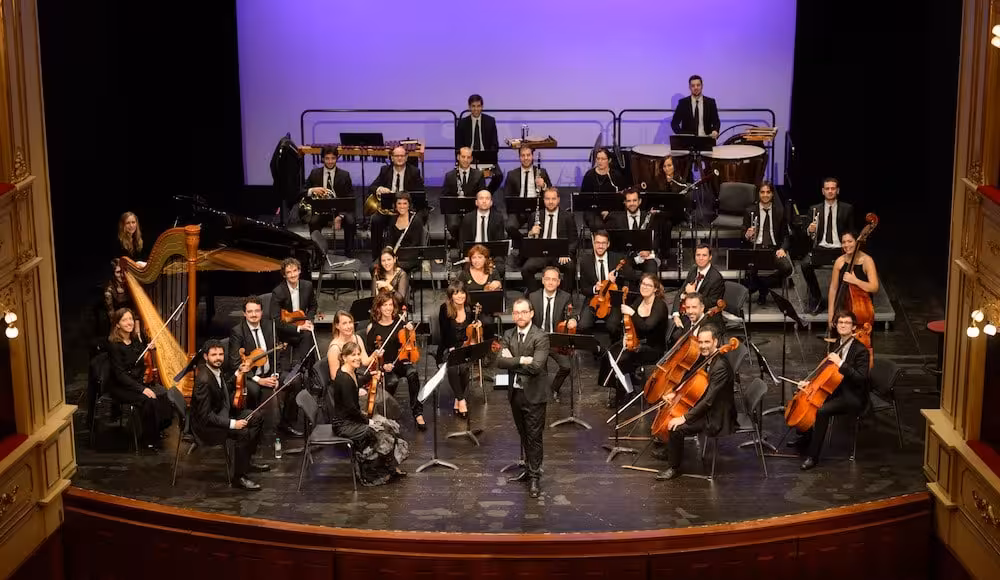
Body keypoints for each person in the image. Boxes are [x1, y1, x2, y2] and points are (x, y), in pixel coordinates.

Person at [654, 324, 737, 480]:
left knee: (675, 427)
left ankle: (674, 468)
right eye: (700, 342)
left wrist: (684, 417)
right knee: (675, 419)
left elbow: (708, 401)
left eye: (707, 342)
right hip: (710, 409)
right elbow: (699, 386)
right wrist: (676, 393)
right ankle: (671, 453)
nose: (703, 346)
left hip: (717, 417)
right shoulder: (710, 359)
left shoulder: (720, 366)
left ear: (716, 342)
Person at [791, 311, 870, 470]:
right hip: (835, 388)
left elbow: (860, 378)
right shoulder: (837, 343)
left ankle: (813, 456)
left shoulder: (861, 351)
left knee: (821, 411)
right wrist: (809, 382)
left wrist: (841, 363)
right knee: (807, 397)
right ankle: (807, 437)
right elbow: (825, 370)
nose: (842, 325)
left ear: (854, 327)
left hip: (851, 395)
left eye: (847, 323)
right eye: (840, 322)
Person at [326, 341, 409, 486]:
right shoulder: (343, 378)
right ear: (344, 357)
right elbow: (351, 409)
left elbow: (357, 383)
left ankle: (389, 468)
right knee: (380, 433)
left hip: (352, 418)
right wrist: (367, 421)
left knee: (389, 426)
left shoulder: (349, 371)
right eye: (353, 355)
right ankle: (372, 473)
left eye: (359, 354)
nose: (358, 358)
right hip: (345, 425)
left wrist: (370, 376)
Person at [191, 339, 268, 490]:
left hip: (222, 416)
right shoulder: (204, 380)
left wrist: (238, 372)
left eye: (220, 354)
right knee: (242, 432)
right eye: (214, 355)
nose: (218, 357)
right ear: (206, 357)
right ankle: (239, 477)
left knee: (256, 417)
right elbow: (206, 416)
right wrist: (233, 424)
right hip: (207, 428)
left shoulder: (215, 370)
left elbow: (224, 385)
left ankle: (246, 461)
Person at [496, 297, 551, 498]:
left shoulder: (541, 336)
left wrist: (512, 360)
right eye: (516, 312)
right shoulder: (509, 334)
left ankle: (535, 476)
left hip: (534, 395)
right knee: (523, 434)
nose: (520, 316)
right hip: (516, 393)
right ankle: (529, 469)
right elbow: (500, 361)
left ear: (531, 313)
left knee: (534, 437)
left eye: (523, 312)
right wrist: (520, 359)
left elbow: (537, 366)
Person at [106, 307, 171, 449]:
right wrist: (142, 389)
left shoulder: (135, 340)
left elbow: (140, 360)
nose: (129, 322)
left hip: (135, 382)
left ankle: (156, 430)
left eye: (130, 319)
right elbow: (120, 375)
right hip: (120, 386)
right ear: (117, 324)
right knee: (148, 400)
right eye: (124, 320)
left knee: (163, 395)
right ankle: (148, 439)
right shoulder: (114, 345)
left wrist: (149, 348)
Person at [599, 273, 669, 405]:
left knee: (622, 359)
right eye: (643, 284)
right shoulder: (638, 300)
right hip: (636, 342)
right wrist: (627, 335)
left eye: (649, 285)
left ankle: (624, 394)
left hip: (652, 347)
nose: (645, 287)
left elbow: (647, 327)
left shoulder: (659, 306)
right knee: (610, 354)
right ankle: (624, 387)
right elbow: (630, 324)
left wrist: (632, 313)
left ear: (655, 289)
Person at [270, 257, 317, 434]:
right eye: (288, 272)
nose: (292, 275)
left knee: (308, 335)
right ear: (284, 275)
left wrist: (309, 320)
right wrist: (298, 328)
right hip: (287, 333)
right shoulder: (278, 292)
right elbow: (276, 321)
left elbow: (313, 306)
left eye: (294, 271)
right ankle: (300, 370)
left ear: (299, 271)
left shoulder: (307, 286)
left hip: (304, 328)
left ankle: (303, 368)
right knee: (304, 336)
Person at [365, 292, 425, 430]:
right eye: (384, 305)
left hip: (400, 360)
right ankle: (387, 413)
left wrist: (409, 331)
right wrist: (382, 365)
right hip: (384, 365)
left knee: (413, 373)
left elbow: (408, 342)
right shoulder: (372, 328)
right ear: (378, 308)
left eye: (390, 304)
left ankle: (417, 412)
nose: (388, 308)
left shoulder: (400, 322)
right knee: (392, 381)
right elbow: (370, 354)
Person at [801, 177, 855, 313]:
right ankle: (817, 298)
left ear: (838, 191)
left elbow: (852, 231)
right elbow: (803, 232)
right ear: (822, 191)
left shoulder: (847, 208)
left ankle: (840, 300)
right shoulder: (814, 209)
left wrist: (848, 243)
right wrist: (809, 229)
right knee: (805, 265)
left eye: (833, 188)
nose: (830, 191)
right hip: (821, 248)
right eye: (827, 189)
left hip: (840, 250)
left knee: (850, 267)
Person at [435, 281, 486, 418]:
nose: (460, 296)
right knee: (452, 366)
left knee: (463, 368)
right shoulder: (444, 309)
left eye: (462, 293)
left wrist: (478, 325)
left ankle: (458, 399)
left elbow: (474, 336)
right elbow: (444, 335)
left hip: (466, 349)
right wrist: (452, 348)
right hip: (448, 348)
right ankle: (462, 400)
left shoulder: (470, 309)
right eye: (456, 293)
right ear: (451, 296)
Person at [741, 180, 793, 305]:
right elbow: (742, 234)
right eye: (762, 192)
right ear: (758, 194)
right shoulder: (750, 211)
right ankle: (762, 289)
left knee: (787, 268)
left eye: (768, 192)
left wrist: (783, 249)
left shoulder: (780, 212)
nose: (765, 195)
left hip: (773, 249)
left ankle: (763, 287)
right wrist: (747, 235)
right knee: (749, 272)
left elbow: (786, 235)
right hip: (756, 248)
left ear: (772, 194)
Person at [368, 146, 425, 259]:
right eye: (396, 156)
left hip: (406, 209)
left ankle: (410, 255)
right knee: (375, 220)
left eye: (402, 156)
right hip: (389, 209)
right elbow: (372, 187)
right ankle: (377, 257)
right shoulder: (385, 170)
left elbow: (420, 194)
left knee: (418, 219)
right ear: (392, 158)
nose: (399, 158)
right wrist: (379, 189)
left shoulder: (414, 172)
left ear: (406, 157)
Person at [529, 266, 576, 402]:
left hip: (556, 340)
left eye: (554, 280)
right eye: (547, 279)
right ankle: (542, 391)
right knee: (540, 369)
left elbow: (570, 316)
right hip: (538, 340)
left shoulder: (566, 297)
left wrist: (572, 320)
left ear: (558, 282)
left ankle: (554, 388)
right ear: (542, 280)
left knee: (566, 367)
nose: (550, 282)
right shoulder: (533, 296)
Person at [227, 296, 279, 413]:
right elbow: (235, 363)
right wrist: (259, 380)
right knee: (254, 390)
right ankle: (253, 421)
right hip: (250, 376)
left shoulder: (270, 326)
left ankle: (285, 422)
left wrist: (276, 374)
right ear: (244, 314)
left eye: (257, 311)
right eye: (250, 311)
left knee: (293, 381)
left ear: (261, 312)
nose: (254, 314)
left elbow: (276, 353)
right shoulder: (237, 332)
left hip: (269, 373)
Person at [520, 187, 578, 294]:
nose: (550, 202)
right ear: (543, 200)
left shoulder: (567, 216)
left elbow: (574, 240)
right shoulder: (535, 216)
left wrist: (566, 253)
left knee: (570, 267)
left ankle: (565, 298)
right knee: (526, 269)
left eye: (553, 199)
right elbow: (528, 243)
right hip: (541, 254)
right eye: (547, 199)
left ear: (558, 199)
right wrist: (531, 233)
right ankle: (536, 296)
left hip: (560, 253)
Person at [302, 146, 356, 257]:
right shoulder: (314, 173)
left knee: (350, 221)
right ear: (322, 159)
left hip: (340, 211)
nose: (330, 161)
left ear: (337, 158)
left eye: (333, 158)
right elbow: (302, 191)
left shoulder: (345, 175)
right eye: (327, 158)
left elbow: (349, 199)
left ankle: (348, 254)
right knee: (313, 222)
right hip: (321, 211)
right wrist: (312, 190)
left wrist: (340, 216)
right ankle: (318, 255)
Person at [577, 230, 625, 345]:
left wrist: (617, 278)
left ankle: (614, 349)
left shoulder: (617, 259)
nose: (600, 246)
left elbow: (630, 277)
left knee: (612, 326)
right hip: (594, 299)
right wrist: (595, 288)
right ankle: (596, 349)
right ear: (593, 243)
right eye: (598, 242)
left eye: (603, 243)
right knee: (583, 326)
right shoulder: (585, 261)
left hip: (613, 300)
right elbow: (584, 289)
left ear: (608, 244)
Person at [503, 146, 552, 253]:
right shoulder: (512, 174)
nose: (526, 158)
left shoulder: (541, 172)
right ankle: (523, 243)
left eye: (528, 155)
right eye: (523, 155)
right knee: (510, 226)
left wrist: (543, 185)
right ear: (519, 157)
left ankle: (528, 251)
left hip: (536, 209)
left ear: (532, 156)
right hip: (518, 210)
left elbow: (551, 192)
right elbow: (507, 196)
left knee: (535, 226)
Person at [827, 231, 880, 329]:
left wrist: (855, 281)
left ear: (857, 242)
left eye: (850, 241)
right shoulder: (839, 261)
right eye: (843, 242)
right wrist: (830, 314)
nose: (846, 245)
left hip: (862, 310)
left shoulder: (867, 261)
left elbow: (874, 287)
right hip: (842, 309)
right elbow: (833, 289)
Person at [606, 189, 662, 277]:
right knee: (625, 268)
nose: (632, 203)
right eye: (629, 201)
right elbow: (614, 244)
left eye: (634, 200)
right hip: (625, 258)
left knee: (651, 265)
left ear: (640, 201)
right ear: (624, 202)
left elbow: (656, 238)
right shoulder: (616, 219)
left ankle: (649, 290)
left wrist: (648, 250)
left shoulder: (649, 218)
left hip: (644, 257)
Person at [456, 94, 502, 193]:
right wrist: (465, 156)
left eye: (478, 106)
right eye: (473, 106)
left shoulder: (490, 121)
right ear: (469, 107)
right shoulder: (462, 123)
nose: (476, 109)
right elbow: (458, 145)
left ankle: (486, 194)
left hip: (486, 158)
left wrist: (489, 155)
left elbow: (495, 144)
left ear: (482, 107)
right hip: (468, 158)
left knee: (499, 176)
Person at [442, 147, 487, 246]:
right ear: (458, 157)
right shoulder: (449, 176)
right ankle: (464, 245)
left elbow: (482, 194)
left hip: (472, 209)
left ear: (471, 159)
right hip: (455, 210)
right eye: (463, 157)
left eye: (468, 157)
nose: (466, 160)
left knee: (471, 223)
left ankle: (466, 248)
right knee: (453, 225)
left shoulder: (478, 175)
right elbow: (445, 196)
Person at [458, 189, 508, 278]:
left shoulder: (498, 218)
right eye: (481, 198)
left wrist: (489, 258)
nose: (484, 201)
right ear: (476, 202)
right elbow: (463, 241)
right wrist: (471, 256)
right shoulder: (468, 218)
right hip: (473, 254)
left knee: (500, 268)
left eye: (487, 198)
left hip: (492, 254)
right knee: (467, 268)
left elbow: (499, 241)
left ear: (491, 202)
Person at [671, 243, 725, 318]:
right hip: (687, 311)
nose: (701, 258)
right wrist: (675, 314)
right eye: (698, 255)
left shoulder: (716, 278)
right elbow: (681, 292)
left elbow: (711, 303)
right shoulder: (693, 270)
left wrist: (694, 293)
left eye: (704, 255)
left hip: (705, 316)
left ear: (710, 257)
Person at [581, 148, 624, 232]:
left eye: (603, 159)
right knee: (598, 225)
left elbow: (621, 197)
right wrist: (600, 210)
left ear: (609, 160)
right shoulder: (589, 175)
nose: (600, 161)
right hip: (593, 210)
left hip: (612, 210)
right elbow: (584, 198)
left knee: (615, 223)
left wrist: (608, 212)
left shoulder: (616, 176)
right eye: (598, 159)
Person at [382, 192, 427, 272]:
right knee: (375, 266)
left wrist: (398, 256)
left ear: (409, 205)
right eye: (399, 203)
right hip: (395, 255)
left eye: (405, 203)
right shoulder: (393, 219)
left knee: (392, 266)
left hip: (411, 257)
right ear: (395, 205)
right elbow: (389, 240)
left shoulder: (415, 220)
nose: (402, 206)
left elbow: (415, 244)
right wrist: (388, 250)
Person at [670, 74, 721, 140]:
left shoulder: (710, 102)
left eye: (698, 85)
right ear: (689, 87)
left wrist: (715, 130)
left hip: (706, 139)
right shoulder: (683, 103)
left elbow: (716, 121)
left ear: (702, 86)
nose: (696, 88)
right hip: (688, 142)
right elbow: (674, 123)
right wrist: (681, 134)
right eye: (693, 86)